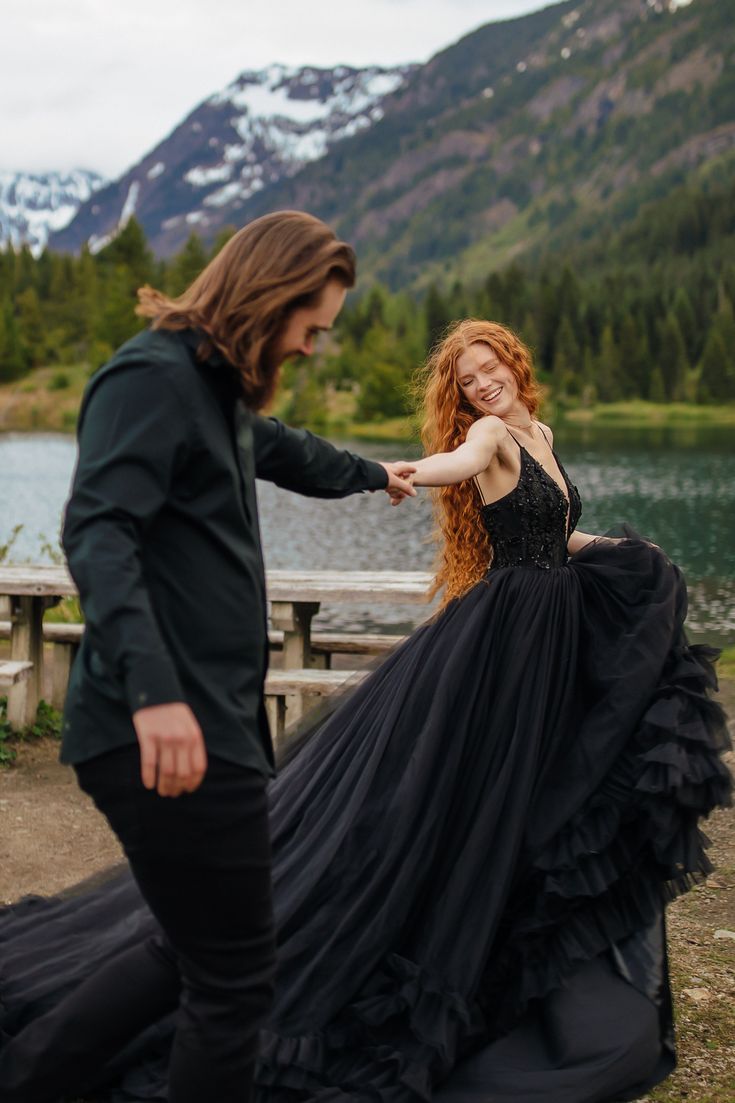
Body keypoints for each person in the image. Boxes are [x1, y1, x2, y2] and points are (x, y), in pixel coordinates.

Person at [0, 319, 731, 1103]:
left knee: (527, 787)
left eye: (489, 370)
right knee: (455, 793)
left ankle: (508, 924)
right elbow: (461, 464)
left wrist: (618, 554)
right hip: (506, 639)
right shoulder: (487, 435)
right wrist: (410, 469)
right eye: (468, 381)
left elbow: (553, 528)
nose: (482, 385)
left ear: (514, 365)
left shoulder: (540, 430)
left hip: (546, 632)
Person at [0, 209, 416, 1103]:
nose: (311, 347)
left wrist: (375, 475)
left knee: (189, 948)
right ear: (269, 298)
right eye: (311, 326)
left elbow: (282, 451)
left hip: (206, 719)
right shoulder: (150, 377)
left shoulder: (212, 394)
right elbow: (99, 531)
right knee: (234, 976)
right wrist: (156, 696)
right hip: (161, 724)